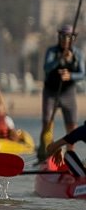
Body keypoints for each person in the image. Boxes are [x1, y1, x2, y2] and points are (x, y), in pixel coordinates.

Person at [39, 23, 85, 160]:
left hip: (68, 93)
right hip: (51, 92)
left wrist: (70, 75)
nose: (66, 40)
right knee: (47, 123)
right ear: (59, 37)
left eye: (69, 37)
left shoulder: (78, 54)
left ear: (73, 39)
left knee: (72, 124)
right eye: (63, 37)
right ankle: (45, 154)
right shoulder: (52, 51)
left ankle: (69, 156)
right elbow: (46, 68)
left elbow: (82, 74)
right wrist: (60, 59)